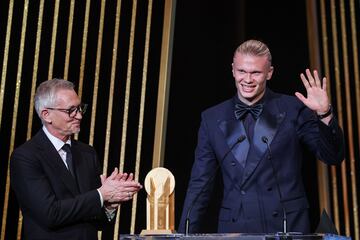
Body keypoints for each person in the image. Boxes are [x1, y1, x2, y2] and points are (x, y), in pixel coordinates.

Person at [178, 39, 344, 234]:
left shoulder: (293, 109)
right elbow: (200, 183)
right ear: (233, 70)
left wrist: (324, 114)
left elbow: (332, 156)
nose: (247, 79)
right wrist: (184, 233)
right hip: (235, 228)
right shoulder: (211, 118)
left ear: (269, 73)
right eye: (242, 71)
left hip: (286, 226)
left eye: (255, 72)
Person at [10, 79, 142, 239]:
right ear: (47, 115)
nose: (79, 115)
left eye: (80, 108)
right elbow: (50, 214)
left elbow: (98, 222)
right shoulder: (26, 156)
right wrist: (101, 194)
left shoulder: (87, 153)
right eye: (70, 110)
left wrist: (110, 204)